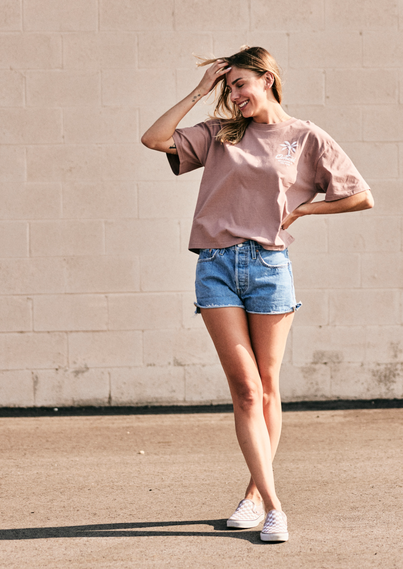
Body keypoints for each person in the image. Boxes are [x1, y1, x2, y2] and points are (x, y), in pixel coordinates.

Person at [140, 46, 373, 542]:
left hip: (269, 265)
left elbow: (360, 195)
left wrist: (306, 211)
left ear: (267, 79)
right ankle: (274, 506)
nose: (235, 95)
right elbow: (153, 138)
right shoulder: (223, 133)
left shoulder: (306, 136)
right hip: (216, 265)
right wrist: (200, 92)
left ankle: (251, 493)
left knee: (267, 385)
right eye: (229, 87)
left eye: (241, 84)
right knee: (245, 388)